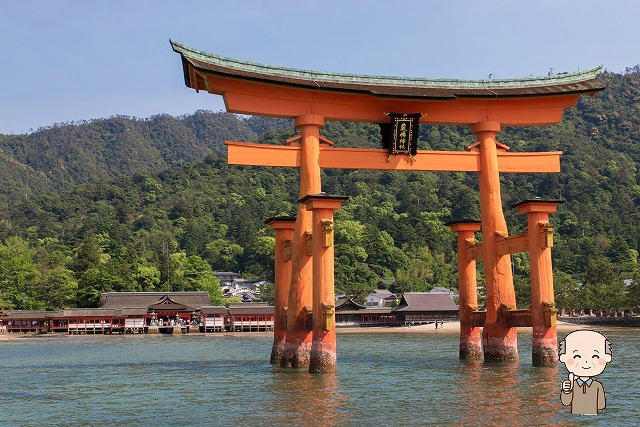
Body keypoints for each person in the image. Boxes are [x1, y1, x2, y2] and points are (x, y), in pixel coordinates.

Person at [559, 330, 611, 415]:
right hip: (589, 416)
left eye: (595, 356)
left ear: (607, 358)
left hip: (577, 416)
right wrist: (566, 391)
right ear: (564, 357)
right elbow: (601, 405)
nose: (586, 361)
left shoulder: (596, 386)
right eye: (577, 356)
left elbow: (566, 403)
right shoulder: (597, 385)